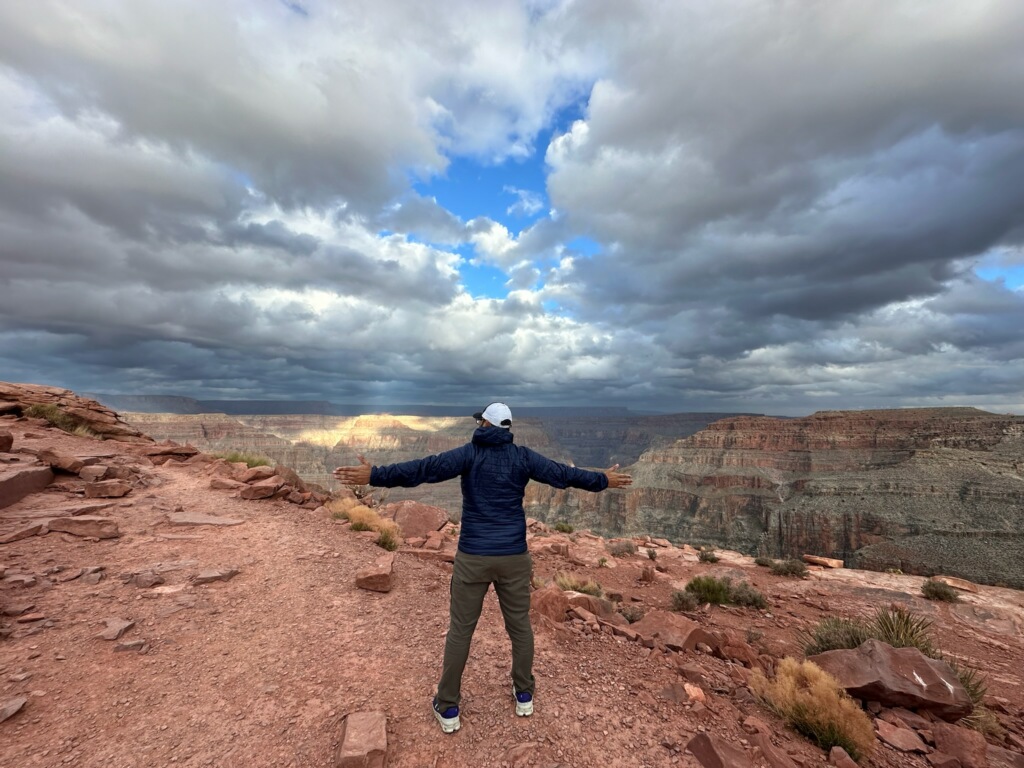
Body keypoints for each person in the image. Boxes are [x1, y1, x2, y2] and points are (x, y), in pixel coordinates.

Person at [333, 402, 632, 734]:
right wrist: (602, 479)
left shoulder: (468, 454)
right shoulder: (523, 457)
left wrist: (376, 474)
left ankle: (447, 706)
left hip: (473, 556)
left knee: (461, 630)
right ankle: (524, 694)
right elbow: (564, 475)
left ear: (487, 425)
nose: (479, 425)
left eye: (480, 421)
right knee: (519, 627)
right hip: (513, 557)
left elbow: (423, 469)